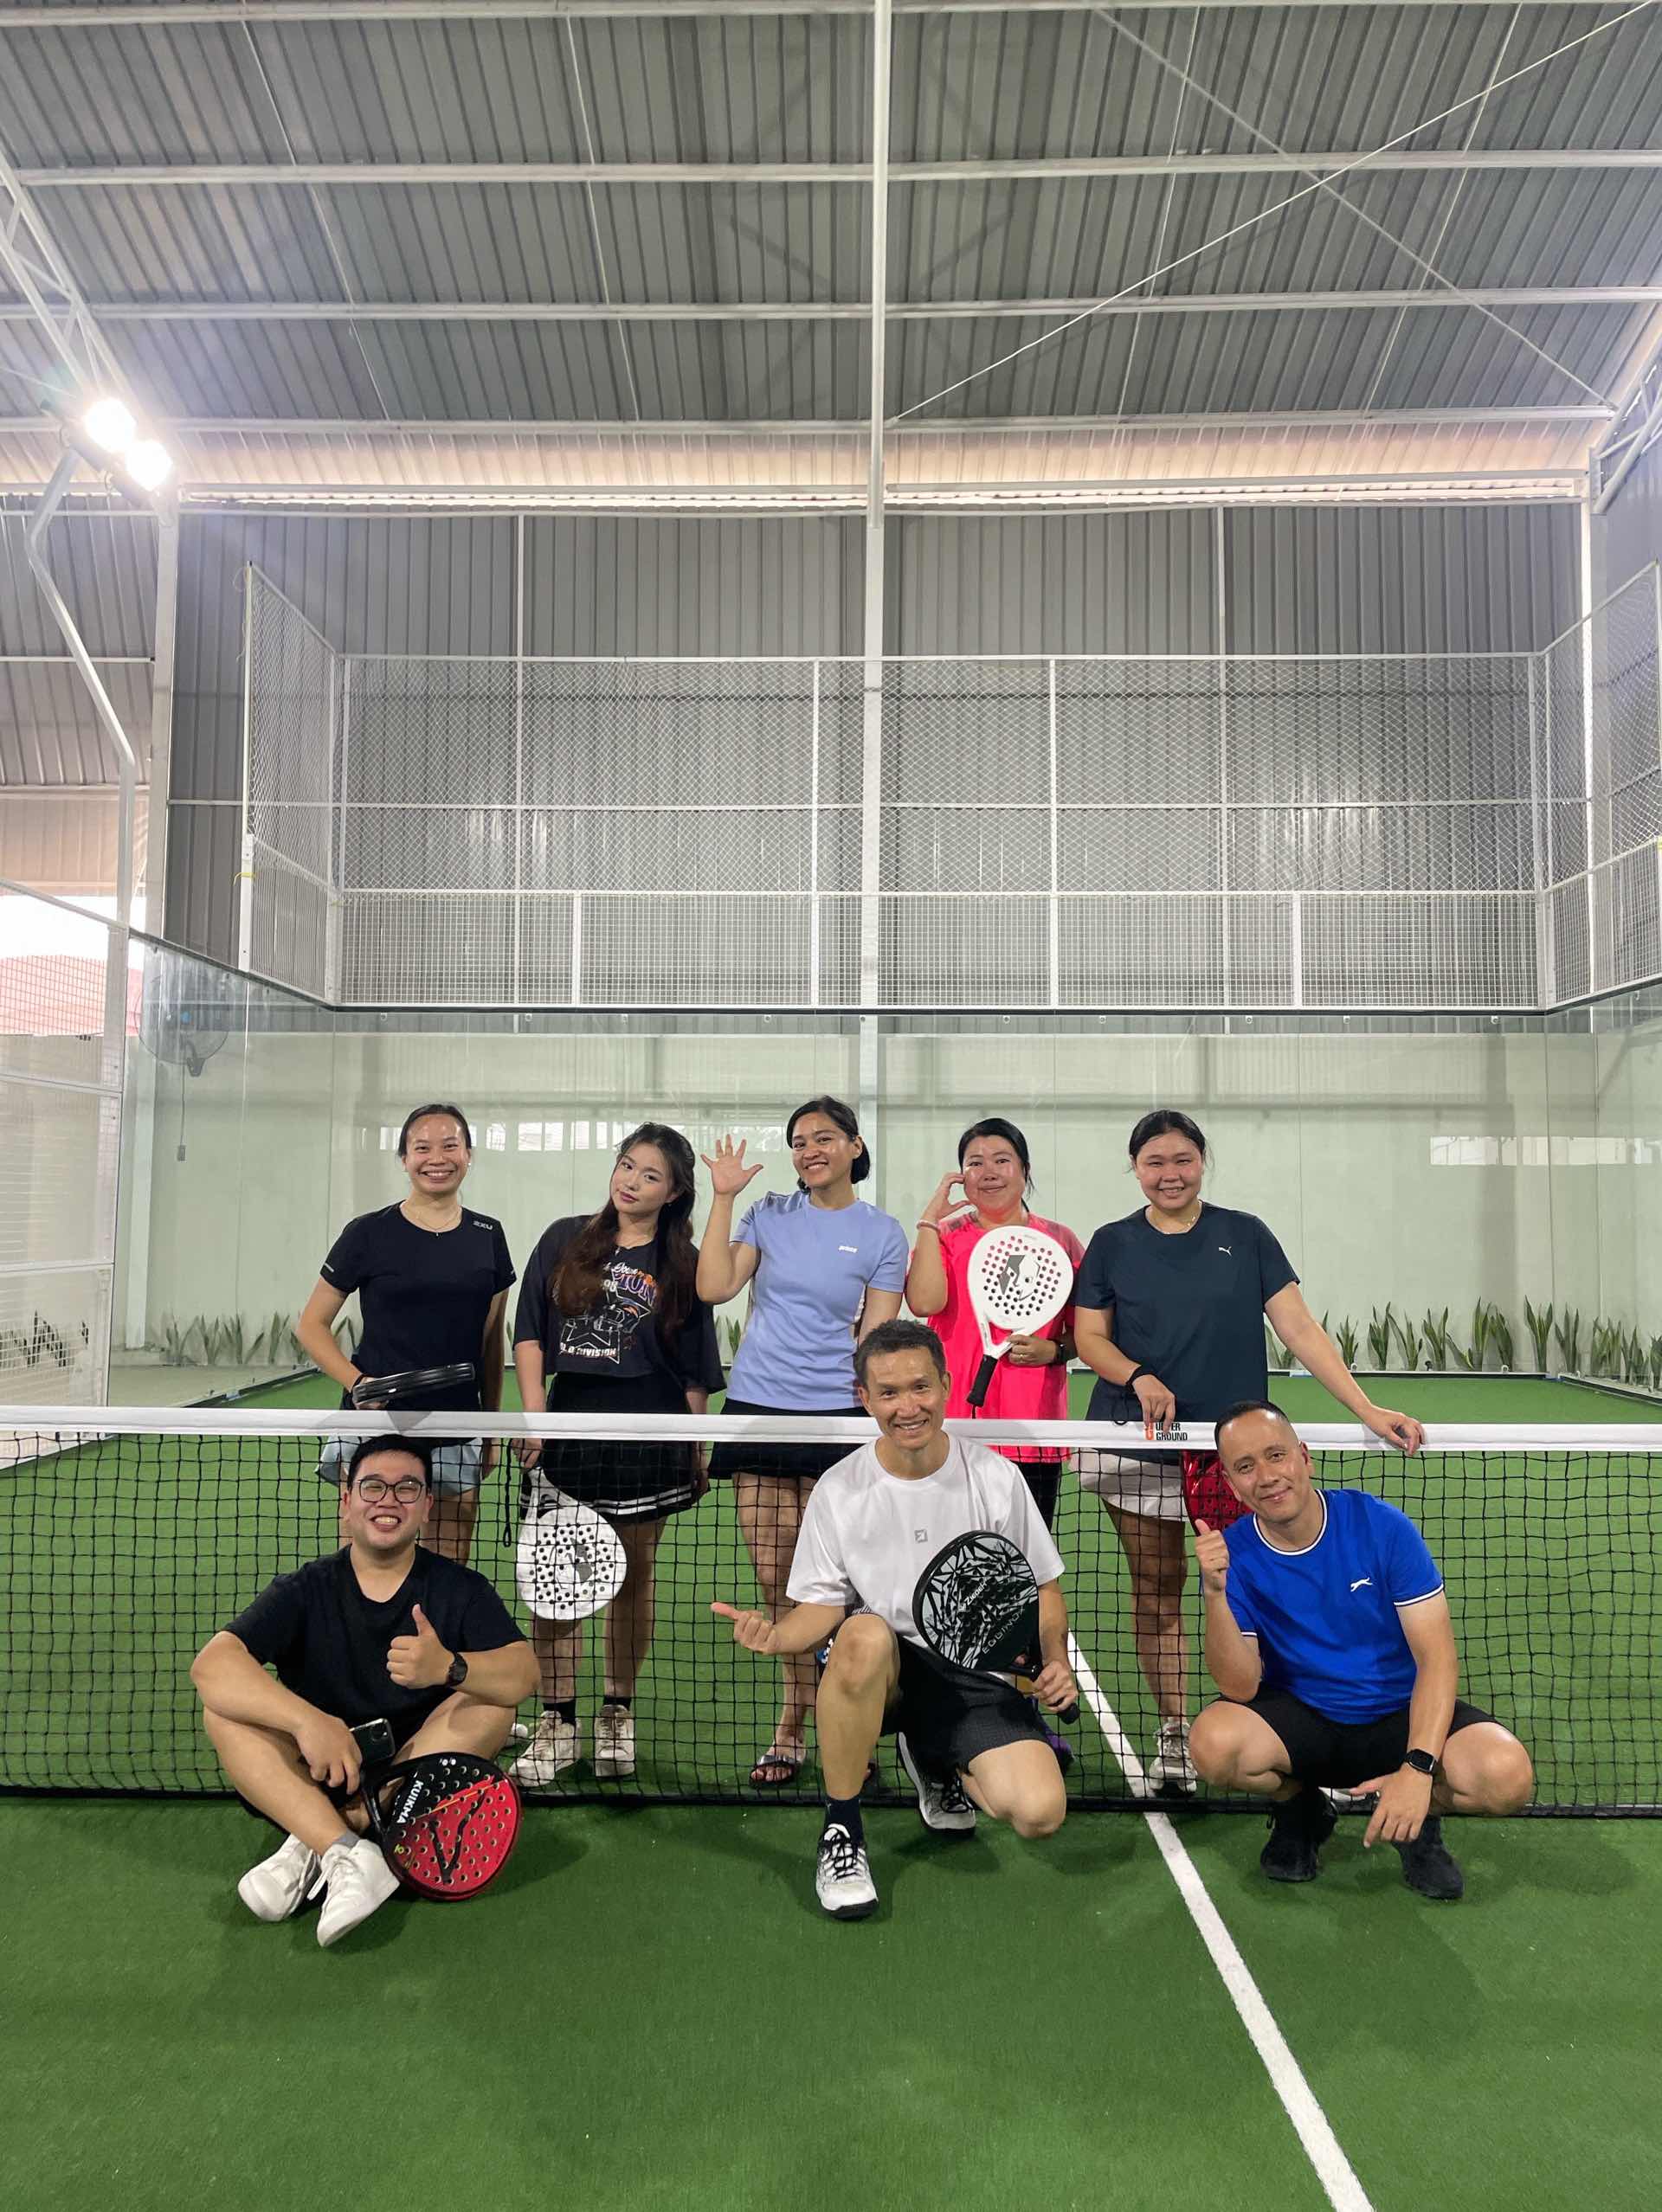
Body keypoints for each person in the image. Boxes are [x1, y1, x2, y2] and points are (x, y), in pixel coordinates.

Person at [1073, 1109, 1424, 1797]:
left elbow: (1300, 1328)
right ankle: (1176, 1731)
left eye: (1182, 1159)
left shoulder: (1247, 1234)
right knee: (1157, 1589)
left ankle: (1294, 1730)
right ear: (1135, 1168)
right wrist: (1137, 1376)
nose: (1170, 1174)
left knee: (1261, 1589)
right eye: (1154, 1162)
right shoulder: (1112, 1243)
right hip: (1139, 1444)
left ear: (1202, 1161)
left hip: (1237, 1456)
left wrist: (1367, 1408)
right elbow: (1090, 1339)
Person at [712, 1320, 1076, 1920]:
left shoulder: (995, 1477)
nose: (908, 1407)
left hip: (975, 1670)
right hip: (883, 1671)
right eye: (888, 1393)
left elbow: (1042, 1587)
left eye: (920, 1387)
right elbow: (824, 1608)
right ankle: (842, 1830)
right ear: (865, 1398)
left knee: (1039, 1813)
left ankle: (934, 1754)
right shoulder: (841, 1488)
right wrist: (777, 1637)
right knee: (862, 1632)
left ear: (946, 1385)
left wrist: (1054, 1660)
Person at [190, 1434, 538, 1947]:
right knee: (222, 1711)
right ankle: (346, 1850)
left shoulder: (459, 1589)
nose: (388, 1501)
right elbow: (212, 1666)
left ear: (427, 1507)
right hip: (321, 1767)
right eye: (373, 1487)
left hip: (408, 1779)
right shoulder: (303, 1589)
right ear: (346, 1502)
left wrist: (449, 1666)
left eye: (406, 1489)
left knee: (494, 1705)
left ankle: (319, 1838)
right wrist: (308, 1722)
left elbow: (523, 1674)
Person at [1189, 1401, 1534, 1900]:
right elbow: (1240, 1687)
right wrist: (1215, 1593)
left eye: (1276, 1455)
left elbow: (1437, 1660)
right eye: (1246, 1467)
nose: (1266, 1477)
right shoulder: (1234, 1552)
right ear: (1231, 1483)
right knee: (1213, 1745)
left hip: (1399, 1716)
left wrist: (1418, 1768)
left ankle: (1415, 1818)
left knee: (1506, 1776)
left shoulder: (1381, 1527)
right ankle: (1301, 1809)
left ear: (1304, 1457)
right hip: (1303, 1719)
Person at [698, 1096, 907, 1788]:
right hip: (759, 1411)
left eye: (824, 1138)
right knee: (775, 1579)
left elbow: (876, 1337)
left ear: (854, 1146)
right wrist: (724, 1197)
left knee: (838, 1586)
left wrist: (874, 1408)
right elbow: (714, 1286)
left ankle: (852, 1728)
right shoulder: (767, 1215)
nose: (810, 1150)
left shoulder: (881, 1234)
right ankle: (793, 1722)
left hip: (837, 1421)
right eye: (798, 1141)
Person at [510, 1123, 725, 1787]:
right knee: (557, 1581)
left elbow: (694, 1367)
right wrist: (534, 1417)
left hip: (649, 1434)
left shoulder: (684, 1263)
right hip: (569, 1433)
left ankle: (616, 1712)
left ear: (674, 1192)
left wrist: (694, 1445)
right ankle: (557, 1721)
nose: (631, 1181)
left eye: (650, 1175)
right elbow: (529, 1333)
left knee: (634, 1576)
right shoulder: (564, 1239)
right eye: (627, 1166)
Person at [296, 1102, 514, 1563]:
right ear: (404, 1159)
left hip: (457, 1424)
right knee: (363, 1561)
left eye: (450, 1146)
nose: (437, 1158)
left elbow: (490, 1344)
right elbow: (311, 1326)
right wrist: (359, 1384)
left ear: (469, 1154)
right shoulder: (367, 1233)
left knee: (448, 1564)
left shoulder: (488, 1235)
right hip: (373, 1425)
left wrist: (491, 1428)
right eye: (422, 1148)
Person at [905, 1116, 1085, 1529]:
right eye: (975, 1163)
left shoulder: (1061, 1241)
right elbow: (924, 1302)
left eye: (1002, 1160)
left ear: (1024, 1170)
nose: (988, 1172)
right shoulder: (943, 1236)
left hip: (1032, 1431)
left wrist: (1054, 1350)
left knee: (1025, 1551)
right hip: (953, 1427)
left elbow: (1087, 1333)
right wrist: (929, 1221)